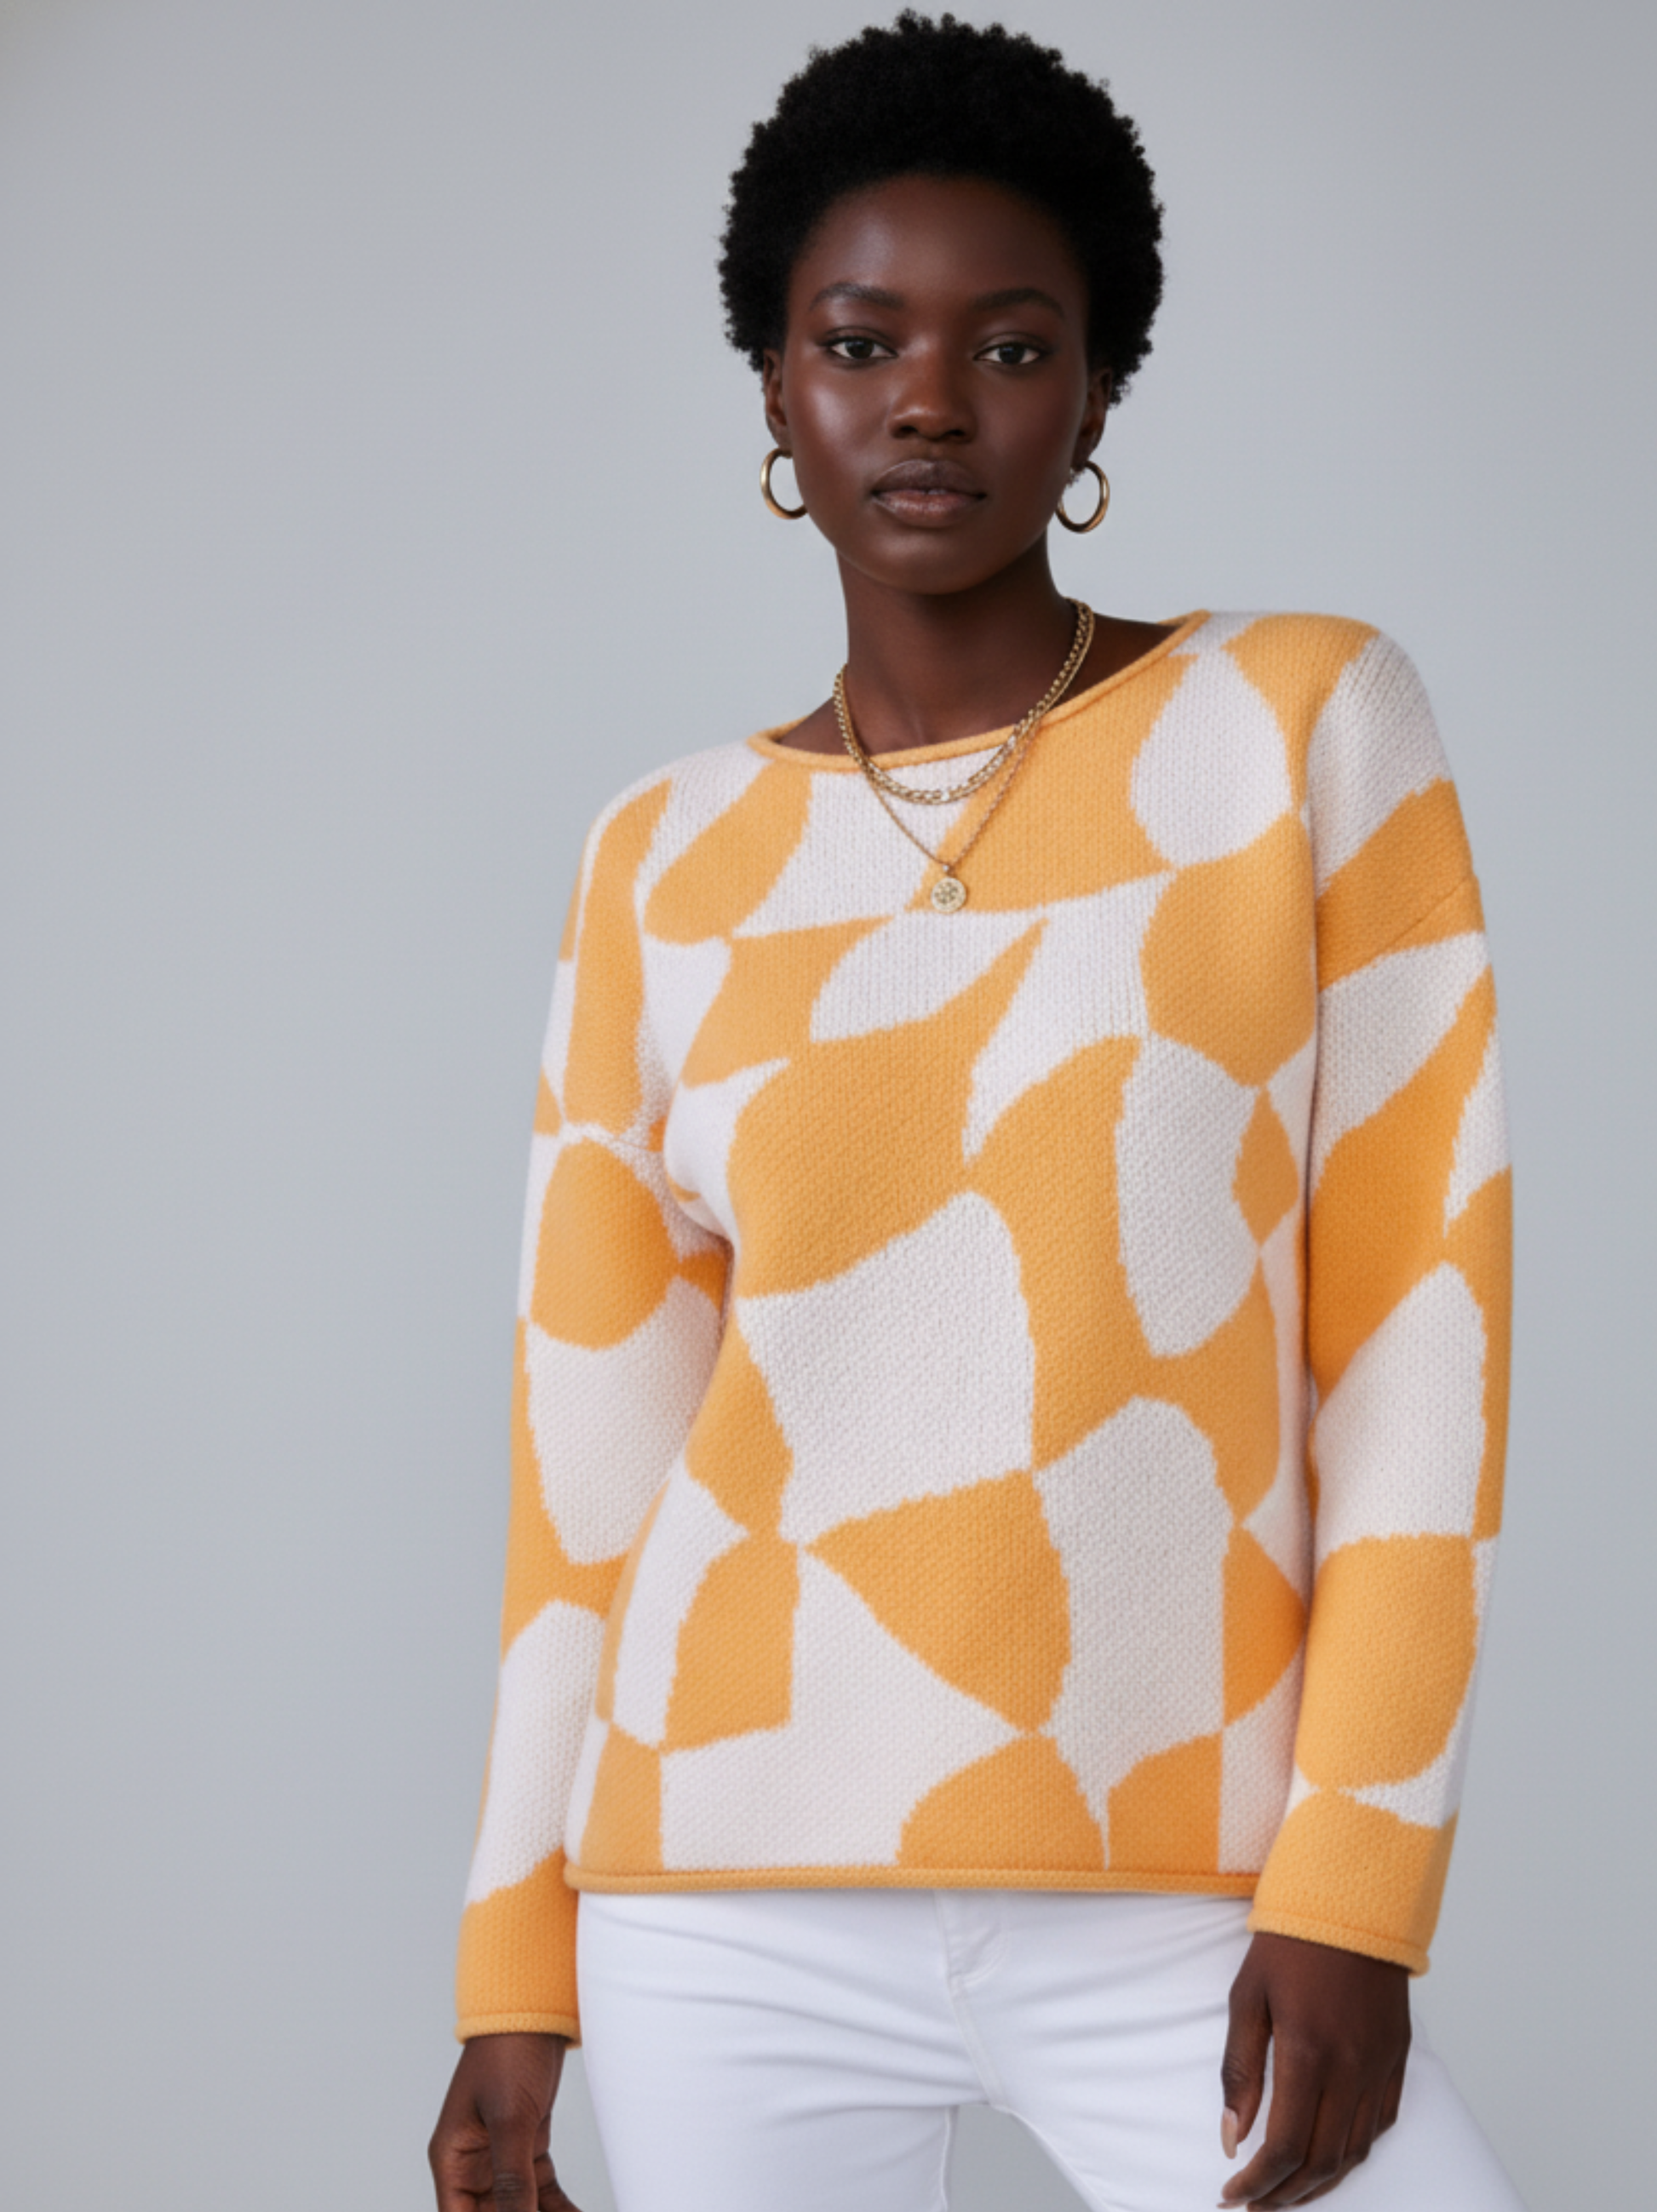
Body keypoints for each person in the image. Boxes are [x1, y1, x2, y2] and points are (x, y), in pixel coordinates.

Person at [429, 15, 1523, 2209]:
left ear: (1097, 392)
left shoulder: (1301, 722)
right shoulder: (661, 856)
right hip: (715, 1895)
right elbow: (595, 1463)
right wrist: (514, 1975)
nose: (928, 401)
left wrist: (1362, 1883)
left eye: (1011, 346)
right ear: (776, 388)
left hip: (1193, 1881)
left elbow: (1423, 1340)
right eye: (860, 343)